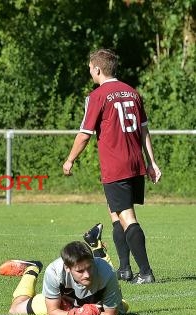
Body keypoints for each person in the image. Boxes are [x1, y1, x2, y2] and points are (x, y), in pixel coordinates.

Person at [62, 48, 162, 284]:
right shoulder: (132, 92)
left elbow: (84, 135)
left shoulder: (97, 96)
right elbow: (144, 130)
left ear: (97, 69)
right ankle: (125, 269)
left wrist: (70, 159)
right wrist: (151, 162)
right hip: (135, 162)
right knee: (116, 214)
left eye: (89, 68)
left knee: (127, 217)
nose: (89, 71)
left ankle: (146, 272)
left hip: (116, 165)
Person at [0, 226, 128, 315]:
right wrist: (74, 314)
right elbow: (53, 312)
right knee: (14, 310)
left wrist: (90, 313)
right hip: (62, 304)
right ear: (67, 268)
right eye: (80, 271)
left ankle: (97, 246)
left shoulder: (107, 273)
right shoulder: (54, 272)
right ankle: (32, 270)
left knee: (123, 307)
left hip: (95, 301)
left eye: (89, 268)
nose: (87, 274)